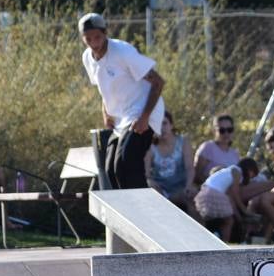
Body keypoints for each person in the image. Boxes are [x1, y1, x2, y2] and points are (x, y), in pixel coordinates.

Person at [78, 12, 166, 190]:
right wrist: (106, 111)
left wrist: (144, 118)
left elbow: (158, 82)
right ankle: (128, 210)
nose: (94, 43)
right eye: (88, 39)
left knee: (126, 162)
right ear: (82, 38)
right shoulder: (87, 57)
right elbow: (102, 85)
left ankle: (144, 210)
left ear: (105, 33)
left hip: (143, 111)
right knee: (111, 169)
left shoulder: (122, 52)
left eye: (97, 37)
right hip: (121, 118)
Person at [194, 114, 273, 204]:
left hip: (237, 188)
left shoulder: (234, 152)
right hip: (220, 191)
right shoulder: (207, 147)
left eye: (229, 130)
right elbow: (197, 176)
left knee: (265, 187)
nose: (226, 134)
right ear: (214, 131)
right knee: (271, 185)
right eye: (222, 130)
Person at [194, 157, 262, 243]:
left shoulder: (230, 171)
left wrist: (239, 215)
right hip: (214, 193)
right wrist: (244, 210)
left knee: (220, 220)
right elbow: (235, 194)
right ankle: (225, 242)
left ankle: (215, 239)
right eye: (253, 174)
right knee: (229, 220)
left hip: (205, 191)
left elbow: (231, 198)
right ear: (249, 169)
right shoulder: (237, 171)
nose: (251, 177)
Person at [146, 113, 196, 215]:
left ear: (171, 125)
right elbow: (146, 174)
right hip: (161, 191)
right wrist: (151, 183)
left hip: (182, 188)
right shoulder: (150, 147)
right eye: (158, 124)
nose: (162, 128)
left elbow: (189, 167)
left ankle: (201, 230)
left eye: (164, 123)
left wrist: (189, 185)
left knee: (192, 199)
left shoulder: (183, 142)